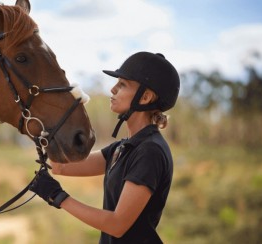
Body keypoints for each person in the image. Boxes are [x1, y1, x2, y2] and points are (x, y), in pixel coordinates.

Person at [30, 51, 180, 244]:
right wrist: (51, 121)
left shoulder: (150, 151)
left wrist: (59, 197)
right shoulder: (123, 147)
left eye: (122, 84)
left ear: (145, 97)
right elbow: (61, 167)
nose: (113, 89)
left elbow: (117, 225)